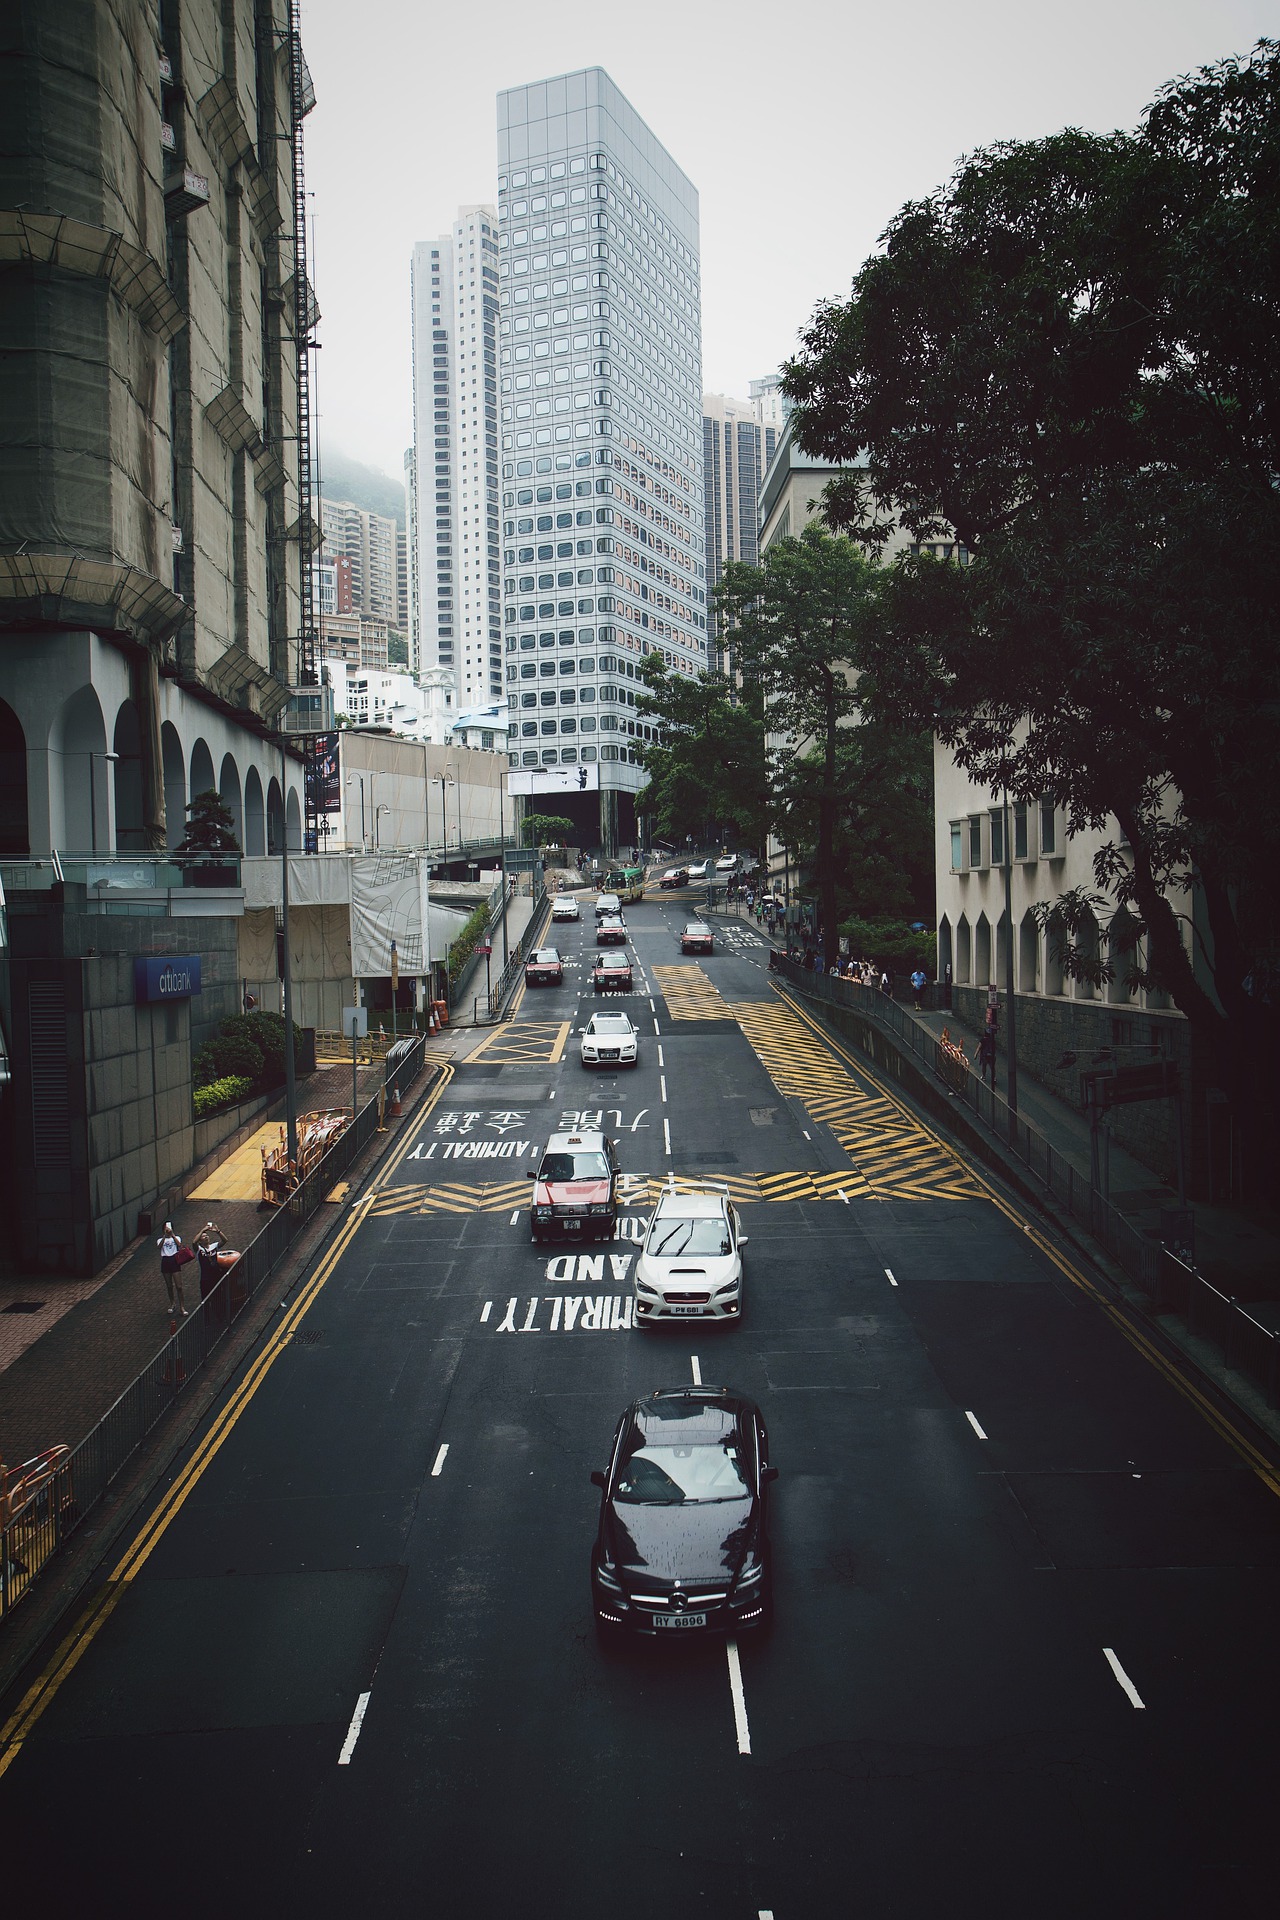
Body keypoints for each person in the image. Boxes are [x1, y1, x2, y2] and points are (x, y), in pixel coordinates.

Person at [157, 1221, 186, 1317]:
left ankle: (182, 1306)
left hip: (174, 1260)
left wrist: (172, 1235)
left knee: (179, 1286)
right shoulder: (160, 1239)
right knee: (169, 1285)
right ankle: (172, 1303)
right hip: (165, 1260)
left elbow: (180, 1246)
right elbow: (159, 1247)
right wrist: (165, 1236)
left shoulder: (176, 1238)